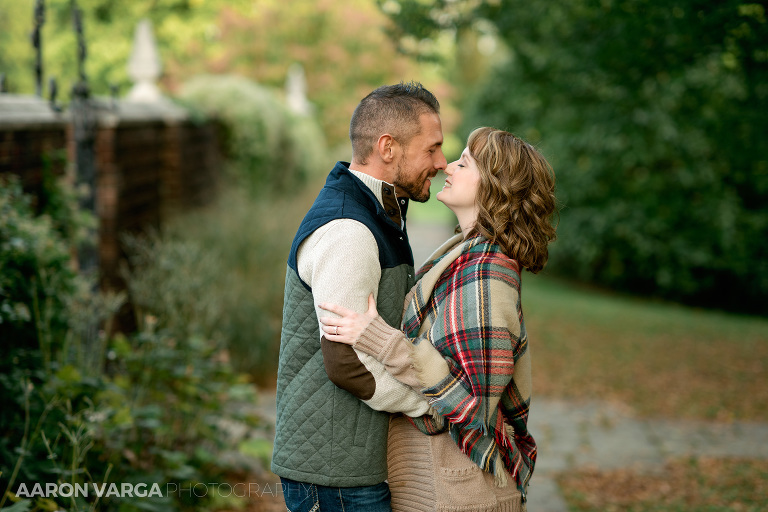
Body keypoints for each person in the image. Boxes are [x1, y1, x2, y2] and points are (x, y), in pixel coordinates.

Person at [318, 127, 558, 512]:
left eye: (464, 163)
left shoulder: (487, 274)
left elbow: (471, 402)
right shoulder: (463, 254)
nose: (448, 166)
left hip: (462, 493)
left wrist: (379, 338)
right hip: (436, 483)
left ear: (494, 186)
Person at [271, 81, 447, 512]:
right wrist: (428, 405)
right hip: (335, 472)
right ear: (388, 147)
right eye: (432, 149)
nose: (442, 163)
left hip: (352, 464)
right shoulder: (349, 230)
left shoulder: (379, 211)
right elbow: (346, 363)